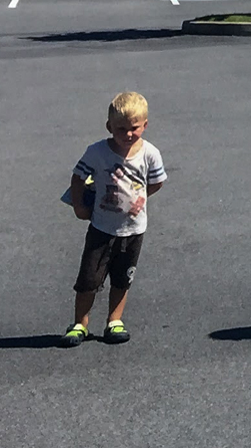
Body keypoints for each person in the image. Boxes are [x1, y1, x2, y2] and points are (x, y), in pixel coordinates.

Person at [59, 91, 166, 346]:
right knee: (88, 279)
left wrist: (138, 201)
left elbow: (156, 183)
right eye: (120, 129)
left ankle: (114, 321)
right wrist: (79, 206)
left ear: (145, 126)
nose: (128, 134)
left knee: (122, 277)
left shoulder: (150, 153)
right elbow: (77, 177)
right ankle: (79, 323)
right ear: (109, 127)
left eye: (134, 128)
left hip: (133, 229)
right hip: (101, 227)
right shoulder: (97, 152)